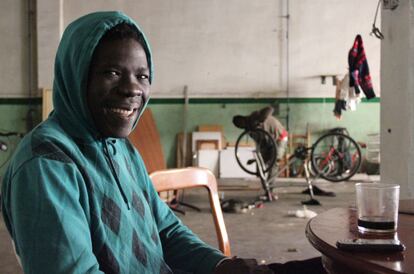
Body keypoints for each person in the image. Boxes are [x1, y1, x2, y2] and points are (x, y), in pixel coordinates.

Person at [1, 11, 325, 274]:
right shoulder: (47, 163)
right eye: (112, 72)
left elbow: (167, 231)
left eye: (142, 76)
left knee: (331, 268)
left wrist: (220, 266)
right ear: (77, 74)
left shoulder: (120, 148)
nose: (132, 89)